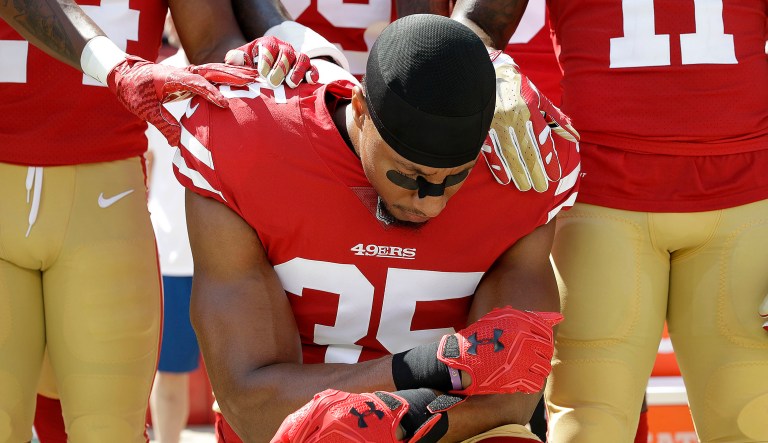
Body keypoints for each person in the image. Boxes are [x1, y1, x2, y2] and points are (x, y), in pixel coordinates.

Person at [176, 13, 580, 442]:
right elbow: (253, 406)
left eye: (456, 176)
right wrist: (432, 367)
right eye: (409, 174)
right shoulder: (247, 143)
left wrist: (394, 422)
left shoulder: (520, 172)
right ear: (362, 111)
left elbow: (509, 393)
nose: (432, 201)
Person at [440, 1, 768, 442]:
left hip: (745, 197)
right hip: (605, 200)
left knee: (750, 420)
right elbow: (476, 26)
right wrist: (492, 69)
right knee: (589, 424)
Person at [0, 1, 328, 441]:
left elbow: (213, 42)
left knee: (109, 429)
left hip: (105, 193)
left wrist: (257, 64)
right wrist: (116, 67)